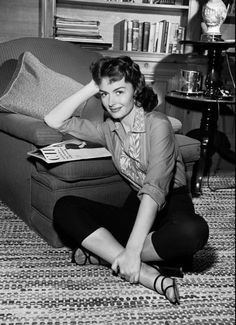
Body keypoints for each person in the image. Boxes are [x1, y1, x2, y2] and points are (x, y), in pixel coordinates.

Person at [44, 56, 209, 305]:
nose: (111, 102)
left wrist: (132, 250)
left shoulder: (159, 124)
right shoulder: (108, 129)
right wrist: (92, 85)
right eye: (104, 94)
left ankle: (107, 256)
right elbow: (54, 120)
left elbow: (155, 188)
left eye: (119, 91)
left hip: (170, 202)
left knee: (192, 231)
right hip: (136, 207)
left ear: (135, 90)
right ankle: (148, 274)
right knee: (64, 207)